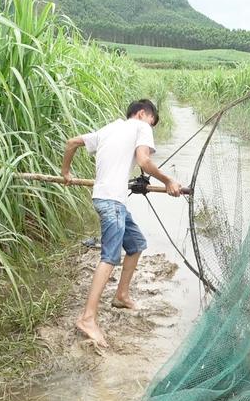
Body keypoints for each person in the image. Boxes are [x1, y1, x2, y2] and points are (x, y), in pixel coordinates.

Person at [61, 99, 182, 347]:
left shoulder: (110, 128)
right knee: (109, 258)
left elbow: (72, 142)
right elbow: (144, 161)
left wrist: (66, 173)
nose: (151, 128)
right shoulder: (141, 127)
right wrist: (169, 180)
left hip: (106, 199)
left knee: (136, 244)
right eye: (152, 122)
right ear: (141, 114)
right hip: (112, 203)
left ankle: (121, 295)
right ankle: (87, 318)